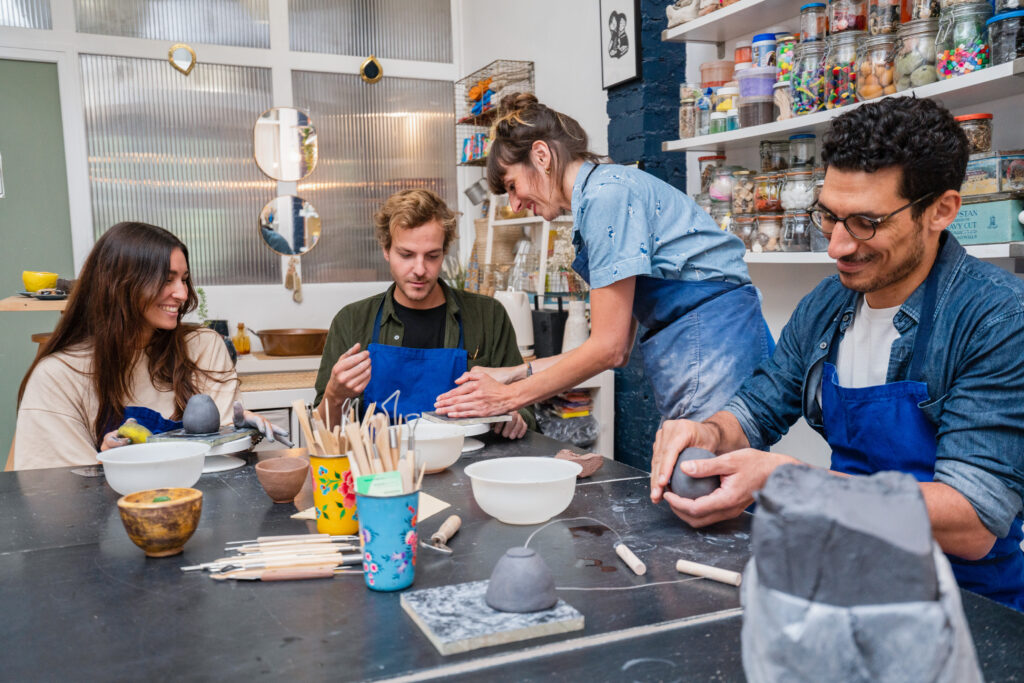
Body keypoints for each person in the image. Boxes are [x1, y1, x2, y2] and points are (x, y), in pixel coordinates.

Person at [650, 97, 1024, 611]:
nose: (837, 247)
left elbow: (972, 521)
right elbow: (759, 407)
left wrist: (790, 481)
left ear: (941, 210)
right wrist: (709, 432)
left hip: (965, 604)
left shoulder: (997, 319)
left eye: (866, 222)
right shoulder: (829, 303)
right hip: (846, 577)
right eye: (829, 216)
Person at [435, 94, 772, 435]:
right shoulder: (602, 192)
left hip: (714, 340)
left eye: (512, 186)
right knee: (694, 476)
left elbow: (608, 349)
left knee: (704, 476)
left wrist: (507, 398)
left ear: (541, 156)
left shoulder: (605, 198)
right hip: (697, 341)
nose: (516, 203)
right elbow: (619, 349)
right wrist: (513, 372)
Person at [14, 221, 284, 470]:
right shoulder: (59, 375)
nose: (182, 294)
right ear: (119, 285)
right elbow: (58, 490)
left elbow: (221, 462)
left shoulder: (203, 348)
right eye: (167, 279)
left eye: (183, 279)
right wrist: (106, 464)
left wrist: (237, 435)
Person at [314, 189, 531, 438]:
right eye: (406, 255)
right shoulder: (352, 321)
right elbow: (323, 433)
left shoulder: (487, 316)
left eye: (432, 256)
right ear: (386, 250)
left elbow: (525, 407)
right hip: (381, 471)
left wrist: (513, 417)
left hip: (467, 466)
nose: (420, 269)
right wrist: (334, 394)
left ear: (445, 251)